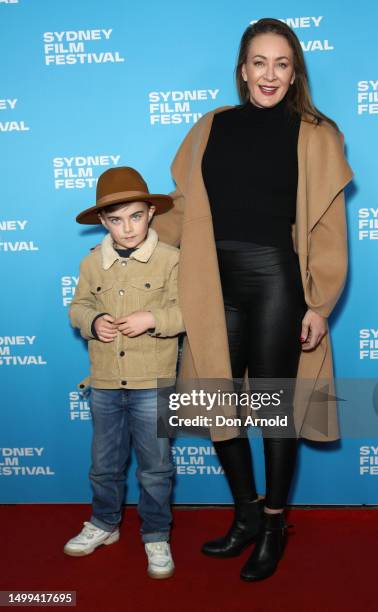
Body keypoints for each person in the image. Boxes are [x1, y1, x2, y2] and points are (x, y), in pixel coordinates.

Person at [151, 17, 354, 582]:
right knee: (217, 402)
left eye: (281, 64)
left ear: (294, 75)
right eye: (259, 62)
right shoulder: (211, 125)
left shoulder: (316, 134)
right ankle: (243, 513)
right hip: (211, 281)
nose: (270, 74)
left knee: (273, 409)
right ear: (243, 71)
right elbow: (182, 206)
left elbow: (328, 228)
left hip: (273, 281)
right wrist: (137, 228)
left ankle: (272, 524)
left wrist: (319, 304)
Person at [64, 166, 185, 580]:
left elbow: (188, 311)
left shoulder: (172, 260)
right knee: (104, 464)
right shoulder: (92, 262)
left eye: (135, 216)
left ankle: (155, 534)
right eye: (116, 219)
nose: (127, 227)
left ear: (151, 213)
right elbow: (78, 306)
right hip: (104, 382)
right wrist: (92, 320)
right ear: (103, 222)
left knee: (155, 467)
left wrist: (153, 316)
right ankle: (104, 524)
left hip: (153, 381)